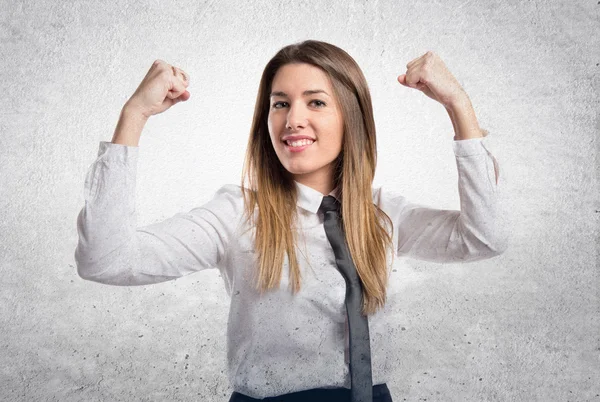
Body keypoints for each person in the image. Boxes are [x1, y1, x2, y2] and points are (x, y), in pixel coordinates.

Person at [75, 40, 507, 401]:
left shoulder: (384, 215)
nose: (292, 118)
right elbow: (107, 260)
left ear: (350, 117)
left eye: (315, 102)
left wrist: (458, 105)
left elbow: (484, 237)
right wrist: (134, 116)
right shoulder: (238, 215)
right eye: (280, 103)